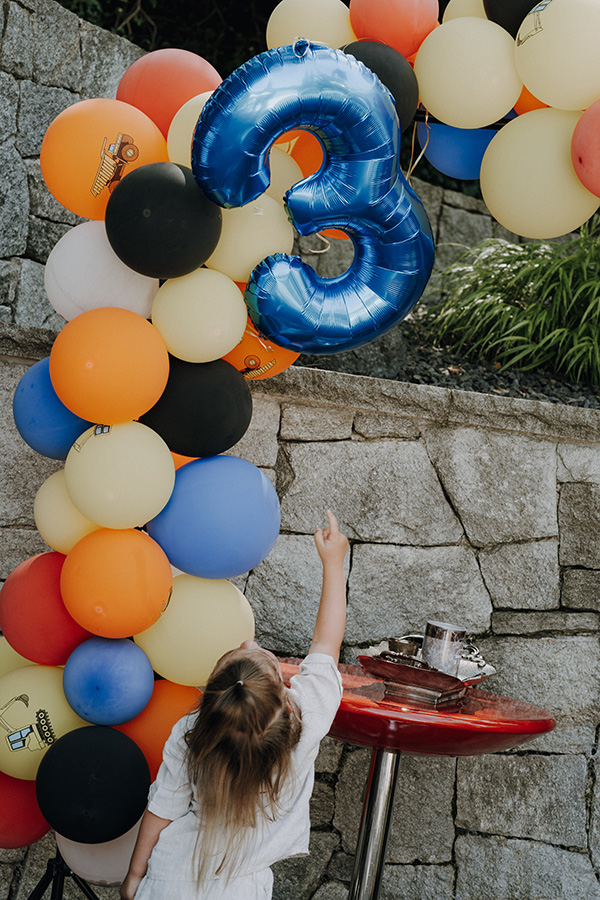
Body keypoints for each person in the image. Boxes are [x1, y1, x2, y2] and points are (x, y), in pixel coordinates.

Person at [120, 509, 349, 900]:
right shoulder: (305, 719)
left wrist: (134, 878)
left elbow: (162, 809)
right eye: (255, 650)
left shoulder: (192, 732)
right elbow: (326, 645)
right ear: (284, 700)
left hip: (169, 877)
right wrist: (333, 563)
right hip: (240, 887)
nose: (249, 640)